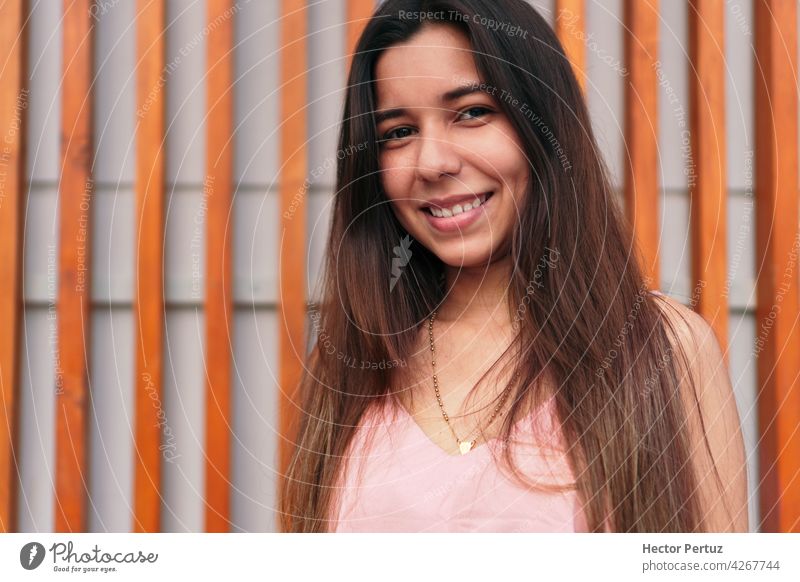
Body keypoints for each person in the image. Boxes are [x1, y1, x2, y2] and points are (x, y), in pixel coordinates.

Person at [279, 0, 748, 533]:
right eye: (398, 132)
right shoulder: (346, 362)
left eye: (472, 112)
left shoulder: (662, 348)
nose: (432, 163)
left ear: (542, 125)